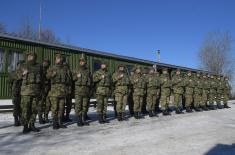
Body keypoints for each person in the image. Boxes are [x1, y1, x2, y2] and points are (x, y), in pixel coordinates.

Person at [19, 52, 42, 133]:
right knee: (25, 109)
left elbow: (42, 79)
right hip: (26, 91)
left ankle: (32, 125)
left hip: (36, 91)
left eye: (32, 56)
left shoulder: (39, 66)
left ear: (35, 57)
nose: (30, 57)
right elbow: (16, 76)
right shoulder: (23, 66)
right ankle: (25, 126)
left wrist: (41, 90)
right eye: (28, 56)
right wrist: (22, 73)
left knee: (34, 109)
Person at [47, 53, 68, 129]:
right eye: (57, 59)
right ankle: (55, 123)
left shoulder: (64, 69)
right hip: (54, 91)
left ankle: (60, 122)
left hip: (62, 91)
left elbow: (67, 80)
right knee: (54, 108)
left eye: (59, 59)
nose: (58, 60)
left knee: (61, 107)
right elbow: (47, 77)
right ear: (55, 60)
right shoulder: (51, 68)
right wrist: (53, 74)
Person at [73, 54, 92, 126]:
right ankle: (79, 120)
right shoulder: (76, 70)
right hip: (78, 91)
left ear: (85, 62)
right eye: (80, 61)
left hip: (86, 91)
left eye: (83, 61)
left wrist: (90, 90)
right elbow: (72, 79)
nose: (82, 62)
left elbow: (91, 81)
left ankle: (84, 119)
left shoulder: (88, 71)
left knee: (85, 106)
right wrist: (76, 77)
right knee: (78, 106)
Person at [8, 60, 25, 126]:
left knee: (22, 107)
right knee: (16, 107)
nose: (21, 66)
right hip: (16, 92)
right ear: (18, 65)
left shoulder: (25, 72)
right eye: (20, 65)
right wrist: (19, 75)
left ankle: (21, 120)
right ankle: (16, 120)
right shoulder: (13, 72)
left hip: (23, 91)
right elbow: (9, 80)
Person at [38, 58, 51, 124]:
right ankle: (40, 117)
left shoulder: (49, 69)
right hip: (42, 89)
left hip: (48, 89)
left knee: (48, 104)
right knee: (40, 104)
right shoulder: (40, 69)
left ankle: (46, 117)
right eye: (45, 62)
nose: (46, 63)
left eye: (47, 62)